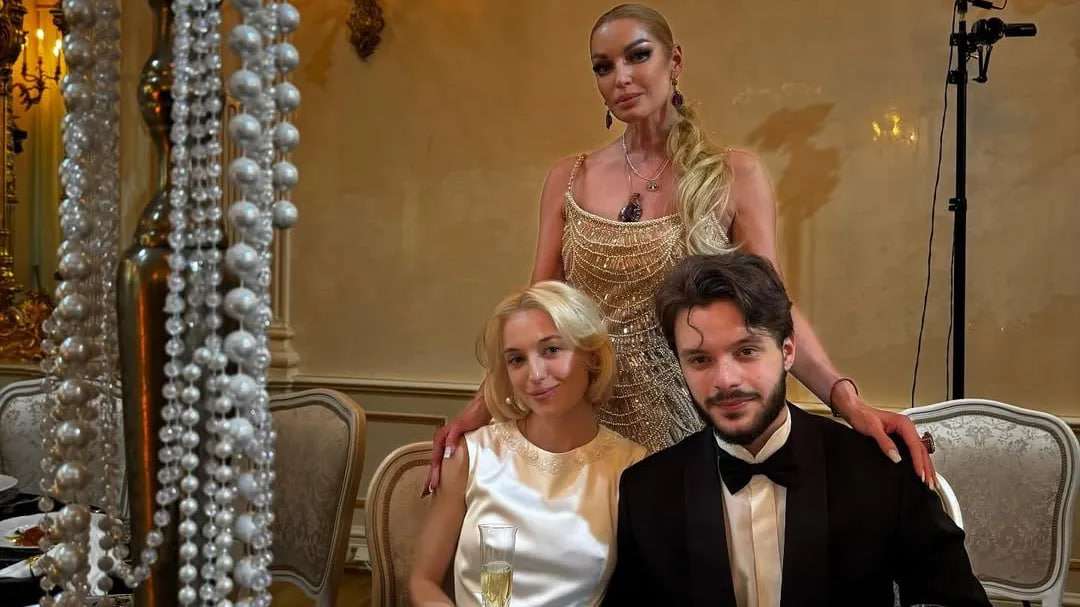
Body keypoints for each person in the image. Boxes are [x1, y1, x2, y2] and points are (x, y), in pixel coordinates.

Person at [428, 3, 933, 489]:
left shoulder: (733, 174)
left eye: (638, 56)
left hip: (688, 422)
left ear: (675, 61)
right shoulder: (568, 178)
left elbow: (773, 310)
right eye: (604, 67)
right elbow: (535, 319)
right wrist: (477, 410)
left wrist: (847, 402)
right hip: (586, 426)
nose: (621, 77)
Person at [602, 253, 989, 606]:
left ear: (787, 351)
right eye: (700, 359)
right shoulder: (647, 491)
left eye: (746, 351)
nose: (725, 380)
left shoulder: (878, 471)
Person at [409, 281, 646, 607]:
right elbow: (422, 581)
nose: (534, 374)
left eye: (551, 350)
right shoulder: (473, 455)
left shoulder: (630, 467)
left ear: (591, 356)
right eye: (517, 359)